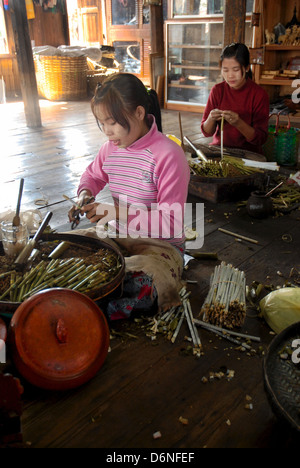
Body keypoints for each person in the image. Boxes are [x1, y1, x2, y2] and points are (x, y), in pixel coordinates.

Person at [68, 73, 190, 320]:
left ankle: (83, 307)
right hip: (116, 235)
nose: (107, 132)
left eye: (112, 122)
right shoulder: (110, 149)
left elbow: (169, 223)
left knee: (143, 283)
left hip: (159, 245)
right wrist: (84, 193)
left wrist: (116, 212)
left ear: (138, 113)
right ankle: (85, 299)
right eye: (101, 123)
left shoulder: (169, 155)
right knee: (60, 248)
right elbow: (92, 175)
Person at [201, 43, 270, 154]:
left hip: (248, 154)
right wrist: (211, 118)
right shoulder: (217, 90)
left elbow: (260, 139)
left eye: (235, 70)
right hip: (220, 150)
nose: (230, 76)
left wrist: (238, 123)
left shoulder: (259, 94)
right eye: (225, 70)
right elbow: (206, 133)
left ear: (247, 67)